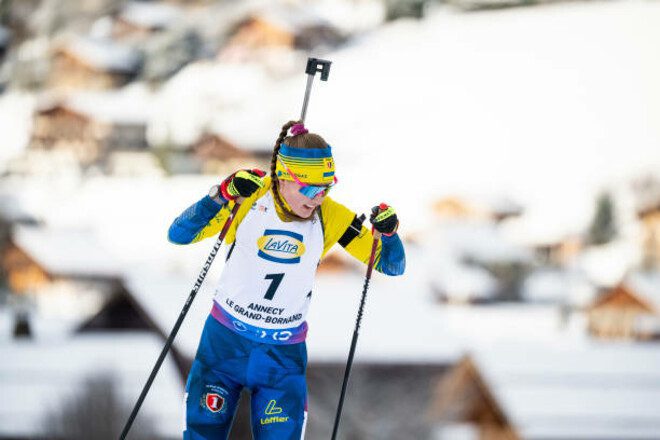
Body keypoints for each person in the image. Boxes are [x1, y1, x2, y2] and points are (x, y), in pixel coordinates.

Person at [168, 121, 406, 439]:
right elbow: (179, 235)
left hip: (281, 358)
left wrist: (388, 235)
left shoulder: (331, 216)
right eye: (309, 188)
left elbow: (390, 265)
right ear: (282, 177)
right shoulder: (250, 198)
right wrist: (219, 196)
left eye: (326, 188)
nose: (317, 198)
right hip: (225, 346)